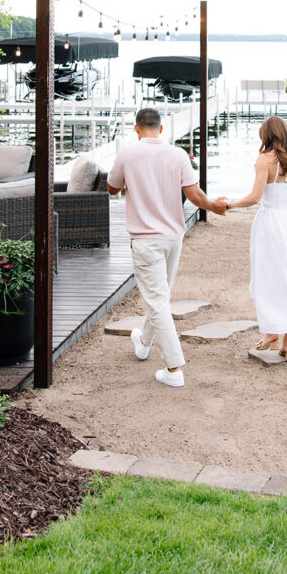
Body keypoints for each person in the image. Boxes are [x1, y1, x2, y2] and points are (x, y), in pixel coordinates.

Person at [107, 106, 227, 388]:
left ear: (136, 129)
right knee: (160, 296)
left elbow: (112, 188)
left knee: (158, 300)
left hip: (146, 239)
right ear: (161, 129)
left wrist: (129, 181)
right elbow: (195, 196)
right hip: (174, 238)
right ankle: (144, 344)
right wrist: (215, 207)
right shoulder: (178, 155)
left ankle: (174, 368)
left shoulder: (127, 152)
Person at [221, 115, 287, 361]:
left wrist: (230, 205)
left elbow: (255, 197)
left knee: (269, 276)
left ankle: (271, 332)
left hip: (270, 222)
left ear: (267, 136)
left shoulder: (264, 160)